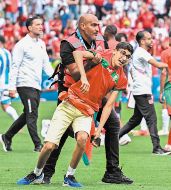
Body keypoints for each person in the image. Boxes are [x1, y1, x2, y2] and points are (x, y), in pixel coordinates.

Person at [17, 42, 134, 187]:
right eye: (122, 53)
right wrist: (83, 76)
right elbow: (77, 53)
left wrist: (99, 129)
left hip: (86, 111)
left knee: (82, 139)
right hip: (70, 102)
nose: (124, 58)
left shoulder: (121, 78)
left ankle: (69, 176)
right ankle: (36, 173)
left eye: (128, 56)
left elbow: (109, 105)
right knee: (49, 146)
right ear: (114, 51)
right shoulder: (101, 54)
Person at [41, 14, 133, 185]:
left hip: (94, 91)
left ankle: (112, 172)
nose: (98, 29)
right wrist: (93, 62)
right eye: (93, 25)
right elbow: (75, 74)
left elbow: (106, 67)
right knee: (63, 132)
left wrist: (104, 89)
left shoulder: (100, 40)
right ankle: (47, 172)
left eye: (98, 25)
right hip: (71, 89)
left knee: (113, 123)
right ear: (82, 26)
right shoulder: (68, 44)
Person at [0, 16, 53, 152]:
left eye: (41, 24)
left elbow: (46, 65)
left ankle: (7, 137)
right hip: (24, 83)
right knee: (32, 114)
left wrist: (56, 78)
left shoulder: (41, 44)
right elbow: (15, 66)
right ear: (29, 27)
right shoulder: (21, 45)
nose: (41, 27)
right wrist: (12, 87)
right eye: (37, 24)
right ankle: (38, 144)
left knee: (28, 114)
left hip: (36, 85)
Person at [119, 30, 171, 155]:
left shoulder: (140, 52)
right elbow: (158, 65)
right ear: (142, 41)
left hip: (140, 90)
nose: (151, 40)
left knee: (136, 120)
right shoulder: (141, 52)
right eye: (148, 38)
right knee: (151, 118)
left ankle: (114, 137)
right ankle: (157, 147)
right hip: (142, 91)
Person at [0, 35, 19, 123]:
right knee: (5, 106)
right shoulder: (7, 52)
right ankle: (18, 123)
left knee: (5, 106)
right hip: (6, 83)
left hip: (0, 83)